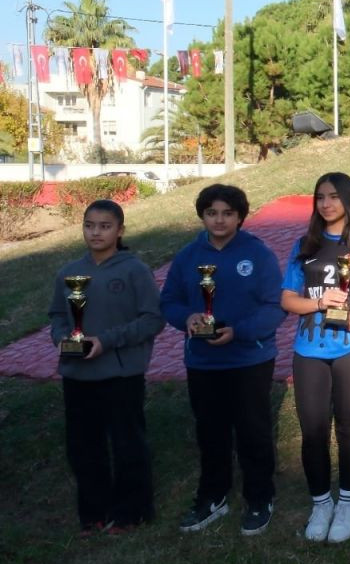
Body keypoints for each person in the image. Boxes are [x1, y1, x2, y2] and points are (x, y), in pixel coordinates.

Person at [160, 184, 285, 536]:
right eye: (212, 212)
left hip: (249, 359)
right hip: (203, 362)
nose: (219, 219)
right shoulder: (187, 256)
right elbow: (169, 300)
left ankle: (260, 498)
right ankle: (213, 496)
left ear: (240, 217)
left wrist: (240, 331)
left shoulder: (257, 254)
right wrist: (186, 319)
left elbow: (274, 306)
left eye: (227, 213)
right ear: (202, 215)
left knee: (253, 432)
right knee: (210, 432)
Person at [280, 172, 350, 544]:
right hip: (309, 349)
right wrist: (320, 302)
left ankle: (347, 501)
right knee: (312, 430)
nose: (326, 204)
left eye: (334, 197)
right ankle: (321, 502)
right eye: (320, 197)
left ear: (349, 200)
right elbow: (288, 299)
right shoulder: (304, 245)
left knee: (349, 425)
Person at [48, 199, 164, 535]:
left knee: (128, 443)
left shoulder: (134, 270)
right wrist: (60, 339)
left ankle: (132, 511)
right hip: (77, 375)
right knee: (84, 446)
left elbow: (153, 319)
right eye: (89, 225)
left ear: (120, 230)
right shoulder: (68, 272)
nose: (95, 232)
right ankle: (93, 513)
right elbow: (57, 316)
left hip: (121, 374)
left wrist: (107, 341)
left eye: (104, 226)